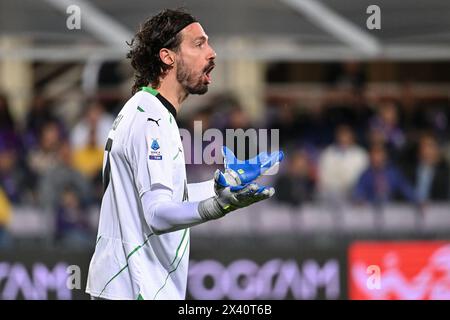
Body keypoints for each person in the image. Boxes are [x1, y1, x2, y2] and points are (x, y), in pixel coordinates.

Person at [86, 9, 282, 300]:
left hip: (131, 286)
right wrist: (216, 207)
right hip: (135, 288)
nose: (212, 53)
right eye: (199, 44)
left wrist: (224, 182)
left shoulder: (150, 111)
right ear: (168, 57)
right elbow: (156, 213)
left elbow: (168, 197)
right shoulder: (150, 119)